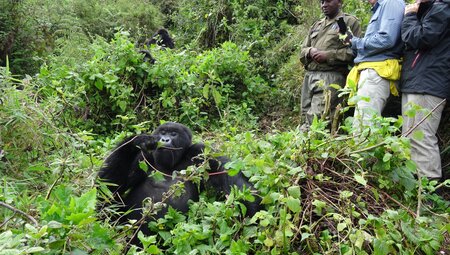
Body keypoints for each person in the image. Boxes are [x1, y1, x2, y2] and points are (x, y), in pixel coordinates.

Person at [400, 0, 450, 180]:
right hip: (417, 82)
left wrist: (410, 15)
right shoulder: (432, 9)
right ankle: (417, 192)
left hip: (428, 83)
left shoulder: (443, 7)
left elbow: (421, 37)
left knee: (421, 138)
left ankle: (429, 196)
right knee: (411, 137)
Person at [343, 0, 405, 130]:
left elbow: (386, 39)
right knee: (364, 123)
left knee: (364, 126)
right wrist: (352, 42)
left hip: (377, 71)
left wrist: (357, 42)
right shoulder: (381, 7)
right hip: (372, 70)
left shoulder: (391, 3)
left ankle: (362, 150)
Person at [299, 0, 361, 131]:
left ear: (339, 2)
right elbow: (302, 50)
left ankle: (310, 146)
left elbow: (354, 52)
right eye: (322, 2)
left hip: (331, 77)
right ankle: (305, 147)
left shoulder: (347, 22)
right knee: (304, 116)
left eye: (328, 1)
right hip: (309, 76)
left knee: (318, 119)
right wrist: (310, 51)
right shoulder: (317, 24)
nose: (324, 5)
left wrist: (328, 55)